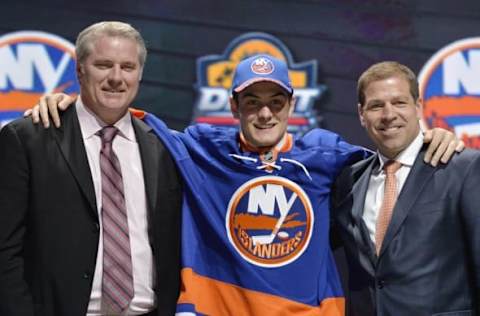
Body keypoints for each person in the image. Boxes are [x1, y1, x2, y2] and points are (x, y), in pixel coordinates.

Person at [28, 55, 462, 315]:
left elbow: (393, 159)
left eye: (276, 102)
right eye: (252, 102)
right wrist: (72, 105)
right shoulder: (200, 150)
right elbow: (121, 116)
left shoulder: (328, 156)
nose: (265, 114)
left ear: (292, 104)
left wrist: (431, 140)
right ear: (233, 105)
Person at [0, 21, 182, 316]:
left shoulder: (163, 146)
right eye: (103, 65)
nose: (116, 77)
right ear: (80, 69)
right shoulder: (29, 139)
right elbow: (5, 250)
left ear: (140, 74)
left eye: (127, 67)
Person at [331, 61, 480, 315]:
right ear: (361, 114)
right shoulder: (348, 180)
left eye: (399, 102)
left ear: (418, 106)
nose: (389, 114)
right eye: (376, 106)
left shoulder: (462, 167)